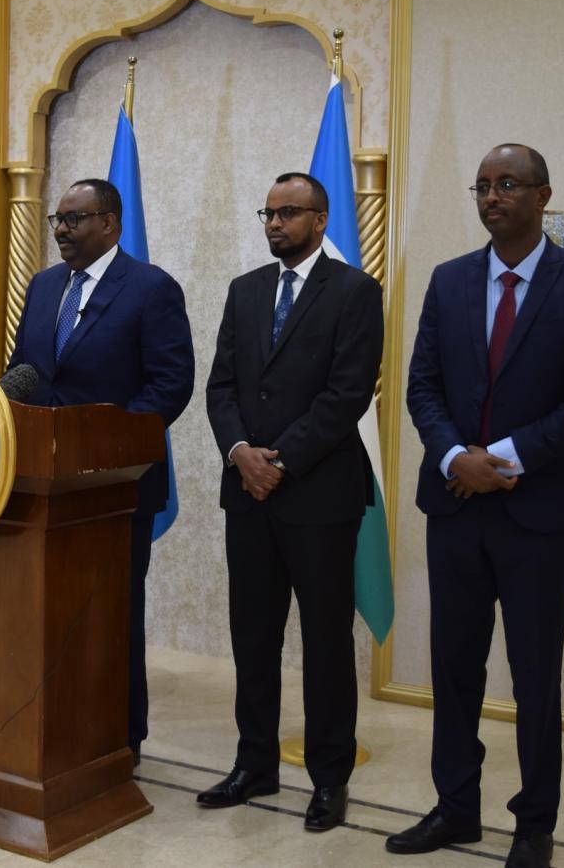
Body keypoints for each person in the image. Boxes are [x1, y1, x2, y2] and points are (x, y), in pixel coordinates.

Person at [390, 144, 564, 868]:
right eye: (484, 186)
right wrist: (454, 457)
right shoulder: (449, 279)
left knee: (534, 675)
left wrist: (502, 459)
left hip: (539, 515)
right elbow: (422, 385)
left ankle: (534, 823)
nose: (492, 196)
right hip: (455, 506)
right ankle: (456, 807)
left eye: (508, 184)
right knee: (455, 667)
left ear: (542, 196)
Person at [198, 173, 383, 831]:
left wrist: (279, 461)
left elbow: (347, 393)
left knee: (326, 642)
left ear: (320, 219)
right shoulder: (245, 289)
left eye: (289, 212)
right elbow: (220, 385)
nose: (275, 223)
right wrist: (239, 451)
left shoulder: (355, 291)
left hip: (320, 495)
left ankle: (329, 778)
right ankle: (255, 763)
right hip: (247, 493)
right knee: (253, 636)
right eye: (268, 213)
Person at [5, 178, 194, 764]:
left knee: (111, 614)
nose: (61, 230)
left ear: (109, 223)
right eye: (57, 221)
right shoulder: (42, 286)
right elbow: (23, 371)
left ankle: (118, 739)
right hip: (42, 480)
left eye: (74, 219)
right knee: (46, 612)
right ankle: (51, 729)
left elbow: (170, 384)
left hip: (116, 488)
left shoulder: (151, 288)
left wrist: (104, 442)